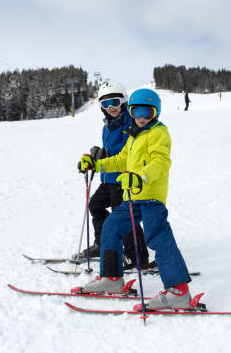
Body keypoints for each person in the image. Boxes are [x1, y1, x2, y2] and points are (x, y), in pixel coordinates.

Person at [78, 88, 192, 310]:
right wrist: (96, 164)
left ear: (155, 113)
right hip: (132, 197)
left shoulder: (159, 133)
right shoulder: (133, 135)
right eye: (136, 111)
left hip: (151, 197)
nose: (140, 117)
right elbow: (121, 160)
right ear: (130, 112)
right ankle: (112, 279)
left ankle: (179, 291)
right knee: (111, 226)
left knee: (157, 237)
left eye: (146, 113)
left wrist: (141, 176)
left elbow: (161, 162)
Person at [74, 81, 149, 270]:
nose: (111, 108)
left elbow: (129, 153)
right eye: (105, 104)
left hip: (124, 178)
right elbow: (108, 151)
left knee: (124, 216)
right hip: (108, 178)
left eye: (114, 102)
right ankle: (102, 244)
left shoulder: (131, 124)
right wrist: (94, 159)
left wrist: (105, 155)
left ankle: (137, 257)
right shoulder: (106, 126)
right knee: (95, 206)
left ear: (123, 101)